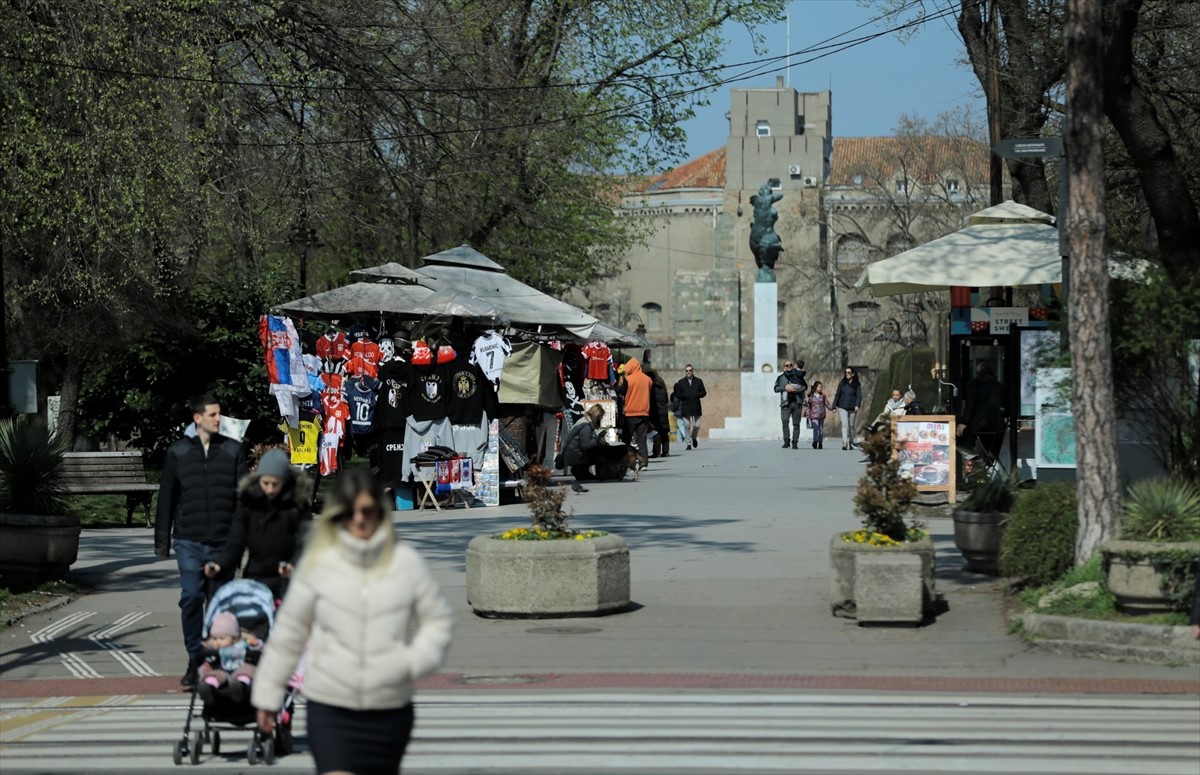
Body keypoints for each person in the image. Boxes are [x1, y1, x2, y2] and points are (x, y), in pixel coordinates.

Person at [252, 469, 453, 775]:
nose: (359, 519)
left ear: (379, 512)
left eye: (367, 511)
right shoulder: (318, 565)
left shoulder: (404, 562)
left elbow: (437, 621)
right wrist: (268, 695)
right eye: (350, 512)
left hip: (389, 709)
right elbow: (288, 636)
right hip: (331, 707)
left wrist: (410, 663)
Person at [155, 394, 248, 687]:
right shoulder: (178, 453)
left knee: (220, 606)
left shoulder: (233, 452)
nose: (218, 419)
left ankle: (214, 661)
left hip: (224, 543)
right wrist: (162, 542)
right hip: (188, 541)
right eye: (212, 415)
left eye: (219, 414)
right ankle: (195, 657)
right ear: (197, 419)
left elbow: (244, 499)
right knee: (193, 597)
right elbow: (167, 498)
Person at [203, 447, 313, 602]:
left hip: (287, 578)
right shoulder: (249, 502)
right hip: (255, 575)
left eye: (275, 484)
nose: (270, 489)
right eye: (265, 483)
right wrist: (220, 565)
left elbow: (306, 541)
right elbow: (235, 542)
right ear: (258, 479)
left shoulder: (297, 504)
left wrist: (294, 564)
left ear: (285, 481)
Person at [197, 611, 261, 704]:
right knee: (213, 674)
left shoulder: (242, 645)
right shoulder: (212, 650)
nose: (217, 642)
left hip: (240, 669)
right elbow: (204, 663)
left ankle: (240, 687)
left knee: (247, 670)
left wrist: (256, 644)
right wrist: (204, 669)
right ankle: (209, 688)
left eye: (222, 639)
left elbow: (259, 651)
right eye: (215, 639)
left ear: (234, 638)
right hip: (221, 671)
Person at [957, 361, 1006, 460]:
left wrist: (963, 422)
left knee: (956, 439)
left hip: (978, 427)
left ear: (978, 372)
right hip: (996, 429)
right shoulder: (999, 386)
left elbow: (970, 405)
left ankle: (972, 463)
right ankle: (982, 462)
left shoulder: (974, 384)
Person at [617, 357, 653, 469]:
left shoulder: (629, 379)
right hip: (644, 413)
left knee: (626, 439)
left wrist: (618, 386)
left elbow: (621, 391)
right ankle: (643, 462)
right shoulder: (648, 380)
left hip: (631, 413)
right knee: (642, 440)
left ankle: (627, 461)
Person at [561, 404, 607, 480]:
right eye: (600, 417)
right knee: (599, 452)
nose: (600, 419)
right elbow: (585, 446)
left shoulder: (586, 421)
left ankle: (583, 470)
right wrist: (597, 439)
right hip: (573, 454)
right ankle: (581, 469)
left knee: (598, 449)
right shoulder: (586, 426)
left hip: (573, 452)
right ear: (596, 416)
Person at [774, 360, 808, 449]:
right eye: (787, 365)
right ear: (784, 367)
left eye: (790, 365)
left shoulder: (798, 375)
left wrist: (795, 390)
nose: (789, 366)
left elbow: (805, 387)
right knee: (785, 421)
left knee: (796, 424)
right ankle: (786, 440)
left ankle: (795, 442)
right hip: (785, 404)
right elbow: (776, 389)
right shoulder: (781, 378)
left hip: (797, 403)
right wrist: (784, 387)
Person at [673, 364, 707, 450]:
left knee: (697, 425)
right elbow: (677, 393)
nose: (688, 372)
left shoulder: (698, 381)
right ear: (685, 371)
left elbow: (703, 392)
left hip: (696, 406)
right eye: (687, 370)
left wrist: (696, 394)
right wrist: (685, 396)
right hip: (686, 406)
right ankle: (688, 443)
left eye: (690, 370)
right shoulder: (681, 382)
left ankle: (694, 437)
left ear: (692, 371)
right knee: (687, 425)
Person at [644, 365, 672, 458]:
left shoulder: (651, 387)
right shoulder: (661, 384)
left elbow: (649, 400)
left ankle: (656, 452)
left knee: (656, 431)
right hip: (663, 410)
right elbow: (666, 398)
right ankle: (666, 451)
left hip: (655, 411)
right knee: (664, 431)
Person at [832, 367, 862, 451]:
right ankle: (845, 442)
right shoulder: (842, 383)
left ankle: (851, 442)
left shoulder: (857, 384)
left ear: (853, 374)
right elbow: (837, 394)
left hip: (853, 407)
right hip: (842, 406)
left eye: (849, 372)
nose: (847, 374)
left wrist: (857, 405)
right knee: (845, 424)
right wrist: (834, 406)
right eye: (846, 372)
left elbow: (859, 395)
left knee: (851, 426)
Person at [805, 381, 829, 450]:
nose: (821, 388)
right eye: (819, 387)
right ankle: (815, 441)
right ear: (815, 388)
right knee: (816, 429)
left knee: (820, 430)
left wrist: (832, 408)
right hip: (814, 415)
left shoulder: (823, 396)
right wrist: (806, 401)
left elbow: (826, 403)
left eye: (821, 387)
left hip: (821, 415)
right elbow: (807, 404)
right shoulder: (811, 396)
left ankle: (820, 443)